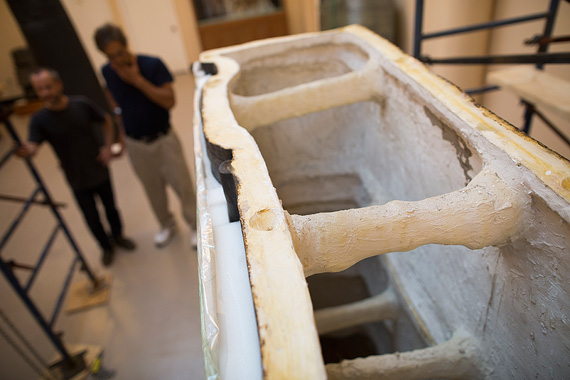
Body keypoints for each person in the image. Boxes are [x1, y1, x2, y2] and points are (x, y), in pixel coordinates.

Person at [17, 67, 135, 266]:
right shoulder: (39, 120)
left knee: (111, 208)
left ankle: (118, 236)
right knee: (91, 216)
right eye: (40, 89)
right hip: (76, 177)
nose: (45, 93)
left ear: (59, 85)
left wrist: (107, 147)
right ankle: (105, 247)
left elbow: (105, 119)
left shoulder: (81, 105)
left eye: (48, 87)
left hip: (99, 167)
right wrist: (25, 151)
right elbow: (32, 145)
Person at [93, 23, 197, 248]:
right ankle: (166, 224)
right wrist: (120, 135)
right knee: (152, 190)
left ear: (126, 45)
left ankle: (196, 226)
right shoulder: (107, 71)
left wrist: (137, 80)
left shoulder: (152, 65)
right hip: (135, 144)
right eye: (110, 56)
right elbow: (114, 101)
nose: (117, 61)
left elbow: (169, 101)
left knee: (183, 186)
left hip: (164, 139)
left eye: (119, 53)